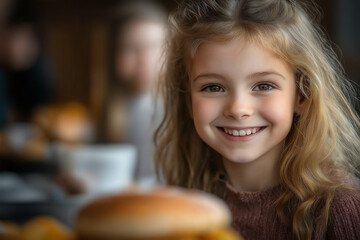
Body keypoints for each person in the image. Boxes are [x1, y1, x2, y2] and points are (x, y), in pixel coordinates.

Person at [154, 0, 360, 239]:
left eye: (264, 85)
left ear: (302, 95)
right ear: (189, 101)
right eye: (213, 87)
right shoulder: (185, 204)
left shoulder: (342, 210)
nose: (238, 109)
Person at [100, 0, 167, 181]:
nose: (143, 58)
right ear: (112, 54)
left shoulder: (173, 108)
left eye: (153, 46)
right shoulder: (112, 110)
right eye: (131, 48)